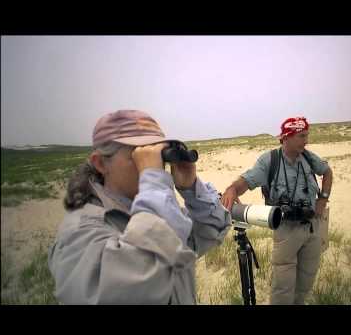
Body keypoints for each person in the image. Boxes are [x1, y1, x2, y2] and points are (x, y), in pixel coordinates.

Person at [48, 109, 231, 304]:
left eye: (158, 155)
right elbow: (136, 286)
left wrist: (192, 189)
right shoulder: (79, 233)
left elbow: (211, 230)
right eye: (140, 156)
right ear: (101, 163)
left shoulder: (156, 210)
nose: (154, 164)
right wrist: (153, 183)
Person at [221, 116, 333, 305]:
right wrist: (232, 189)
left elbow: (327, 172)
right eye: (302, 136)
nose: (306, 141)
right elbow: (246, 181)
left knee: (306, 280)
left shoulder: (307, 156)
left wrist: (322, 199)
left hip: (313, 227)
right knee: (283, 286)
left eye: (307, 135)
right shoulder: (270, 161)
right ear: (286, 137)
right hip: (286, 230)